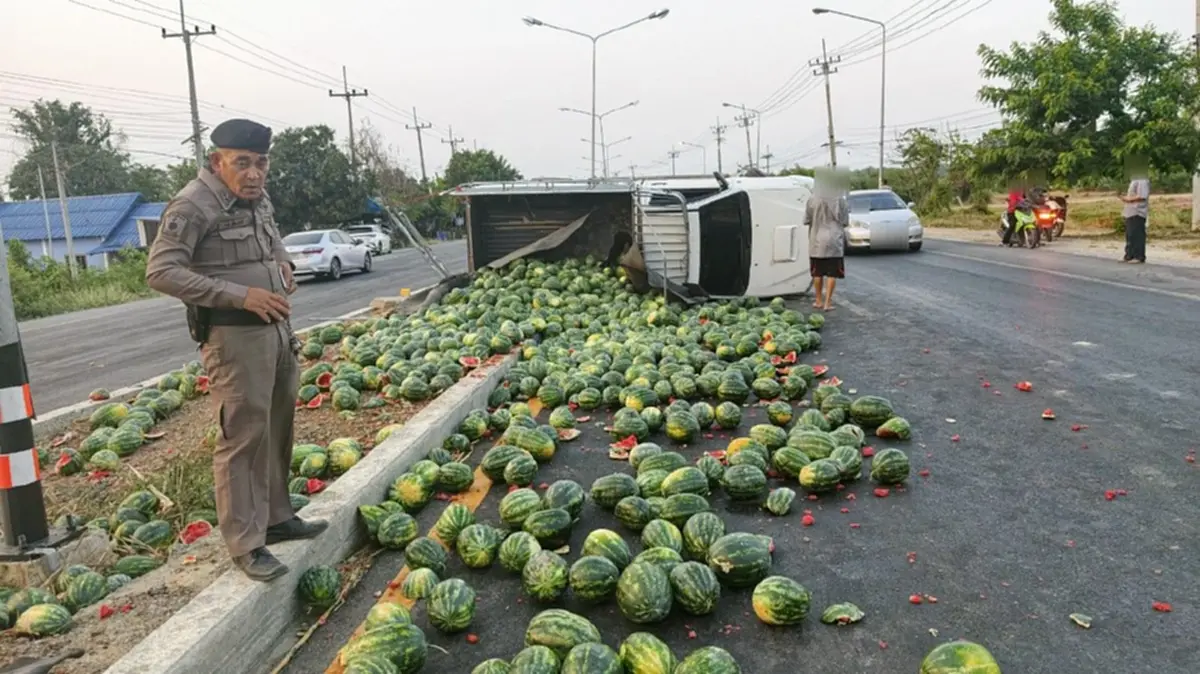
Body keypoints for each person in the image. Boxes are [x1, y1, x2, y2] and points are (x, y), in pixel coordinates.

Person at [146, 119, 327, 581]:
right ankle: (246, 543)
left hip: (276, 329)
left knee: (277, 423)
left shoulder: (257, 197)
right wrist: (240, 295)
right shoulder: (192, 204)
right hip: (233, 337)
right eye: (242, 163)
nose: (253, 173)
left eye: (261, 163)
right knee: (242, 436)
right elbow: (161, 271)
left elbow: (272, 239)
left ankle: (278, 517)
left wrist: (284, 263)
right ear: (217, 161)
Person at [804, 170, 849, 311]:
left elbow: (806, 220)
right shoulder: (840, 199)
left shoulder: (812, 199)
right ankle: (828, 303)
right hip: (834, 240)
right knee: (832, 273)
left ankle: (818, 300)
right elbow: (845, 221)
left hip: (816, 240)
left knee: (817, 273)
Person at [1120, 172, 1150, 263]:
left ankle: (1138, 256)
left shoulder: (1142, 180)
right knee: (1130, 234)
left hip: (1138, 211)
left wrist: (1128, 199)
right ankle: (1129, 255)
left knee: (1137, 234)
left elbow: (1142, 196)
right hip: (1130, 211)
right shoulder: (1135, 179)